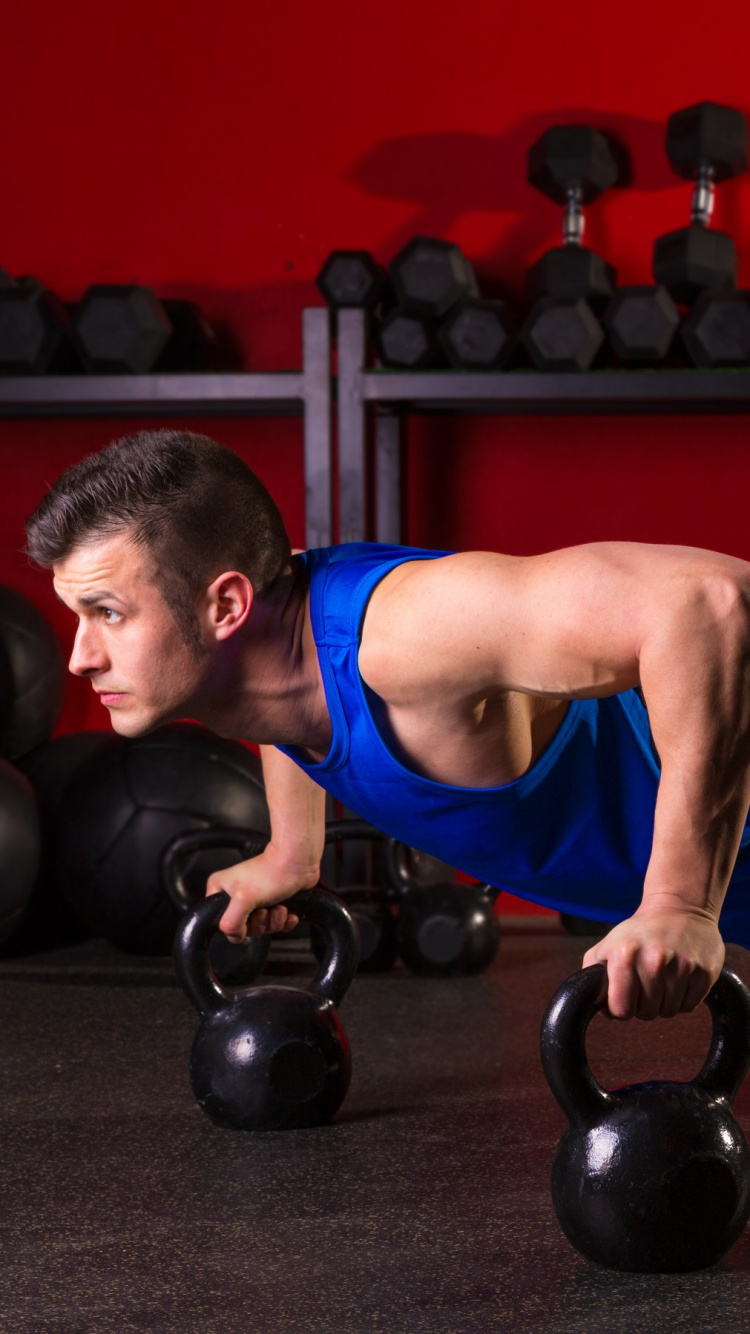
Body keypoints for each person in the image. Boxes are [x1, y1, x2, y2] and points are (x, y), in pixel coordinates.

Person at [25, 429, 750, 1023]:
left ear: (225, 608)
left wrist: (679, 903)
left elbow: (707, 606)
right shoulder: (272, 639)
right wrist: (291, 854)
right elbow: (276, 698)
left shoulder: (406, 633)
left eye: (109, 613)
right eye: (77, 616)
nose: (81, 659)